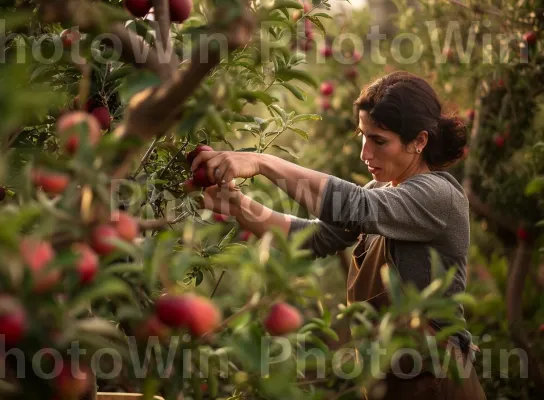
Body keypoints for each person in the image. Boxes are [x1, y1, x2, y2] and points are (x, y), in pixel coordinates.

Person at [190, 71, 486, 399]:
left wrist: (262, 162)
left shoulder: (437, 195)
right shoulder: (382, 191)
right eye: (363, 136)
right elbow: (311, 238)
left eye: (379, 140)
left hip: (437, 382)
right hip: (391, 380)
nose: (365, 153)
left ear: (419, 141)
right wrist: (235, 204)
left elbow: (354, 206)